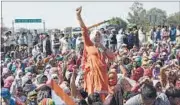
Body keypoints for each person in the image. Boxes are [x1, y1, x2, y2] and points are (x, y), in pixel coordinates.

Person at [76, 6, 115, 101]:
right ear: (92, 36)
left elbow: (112, 57)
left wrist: (102, 46)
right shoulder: (89, 45)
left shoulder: (103, 46)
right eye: (96, 34)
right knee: (92, 96)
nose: (97, 35)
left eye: (99, 34)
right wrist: (78, 16)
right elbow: (84, 29)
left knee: (102, 96)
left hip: (102, 73)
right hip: (92, 74)